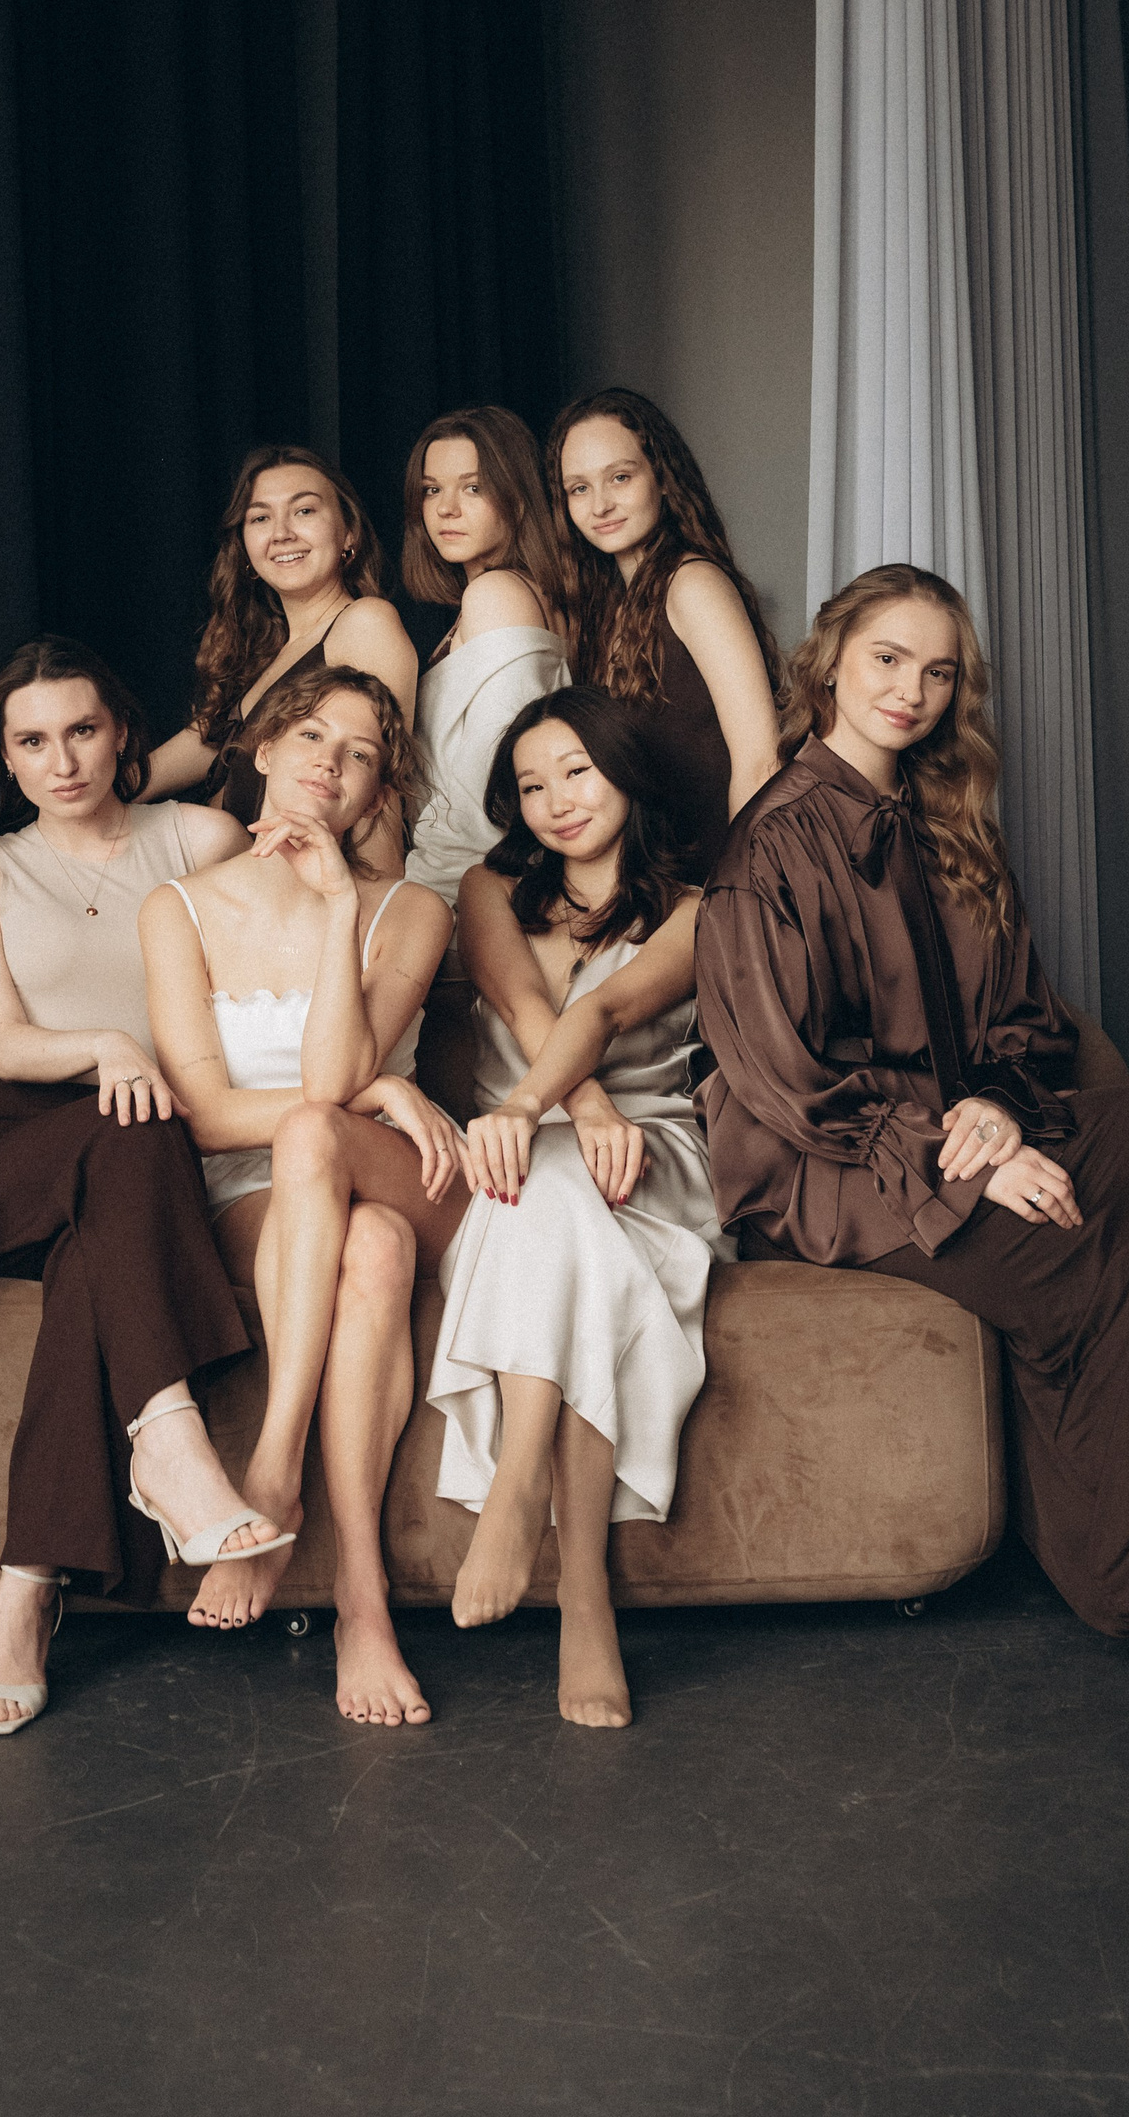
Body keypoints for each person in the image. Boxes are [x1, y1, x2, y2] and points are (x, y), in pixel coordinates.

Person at [696, 563, 1129, 1764]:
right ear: (828, 662)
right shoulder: (770, 843)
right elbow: (787, 1082)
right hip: (829, 1165)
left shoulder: (950, 820)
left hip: (950, 1128)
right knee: (1086, 1250)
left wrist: (995, 1111)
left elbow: (1023, 1022)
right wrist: (956, 1158)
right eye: (886, 660)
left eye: (938, 672)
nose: (911, 690)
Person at [0, 636, 283, 1735]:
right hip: (12, 1156)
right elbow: (1, 1038)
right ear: (8, 758)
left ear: (123, 731)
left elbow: (276, 964)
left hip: (146, 1161)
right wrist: (108, 1047)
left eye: (82, 730)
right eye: (33, 742)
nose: (63, 760)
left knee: (104, 1241)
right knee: (131, 1120)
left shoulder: (200, 838)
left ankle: (27, 1591)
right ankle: (170, 1448)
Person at [140, 664, 461, 1726]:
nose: (332, 762)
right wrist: (380, 1088)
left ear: (377, 793)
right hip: (251, 1192)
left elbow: (326, 1086)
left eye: (361, 754)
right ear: (266, 748)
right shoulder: (177, 908)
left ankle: (272, 1468)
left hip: (394, 1169)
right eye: (313, 735)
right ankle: (364, 1602)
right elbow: (204, 1113)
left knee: (321, 1133)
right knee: (372, 1252)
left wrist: (336, 910)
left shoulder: (413, 911)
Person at [428, 688, 728, 1729]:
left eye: (577, 772)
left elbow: (605, 1009)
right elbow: (526, 1006)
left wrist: (543, 1108)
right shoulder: (486, 890)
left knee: (547, 1185)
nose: (557, 800)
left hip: (648, 1151)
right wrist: (559, 1111)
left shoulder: (696, 908)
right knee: (546, 1195)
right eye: (531, 785)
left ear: (626, 774)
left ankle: (520, 1492)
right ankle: (585, 1599)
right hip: (523, 1159)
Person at [401, 405, 569, 1115]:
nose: (446, 508)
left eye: (472, 487)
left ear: (517, 496)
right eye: (432, 490)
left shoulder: (497, 593)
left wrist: (414, 909)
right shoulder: (506, 597)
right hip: (475, 899)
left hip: (469, 903)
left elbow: (497, 790)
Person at [140, 445, 416, 873]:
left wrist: (377, 899)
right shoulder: (273, 649)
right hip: (235, 883)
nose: (281, 533)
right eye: (260, 518)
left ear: (349, 534)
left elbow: (379, 788)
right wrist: (114, 786)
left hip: (305, 893)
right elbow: (211, 738)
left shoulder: (365, 623)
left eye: (304, 511)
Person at [547, 387, 782, 881]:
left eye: (620, 477)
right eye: (579, 488)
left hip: (720, 875)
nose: (601, 505)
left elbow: (761, 760)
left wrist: (741, 893)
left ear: (664, 480)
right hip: (656, 881)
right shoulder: (607, 608)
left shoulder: (692, 584)